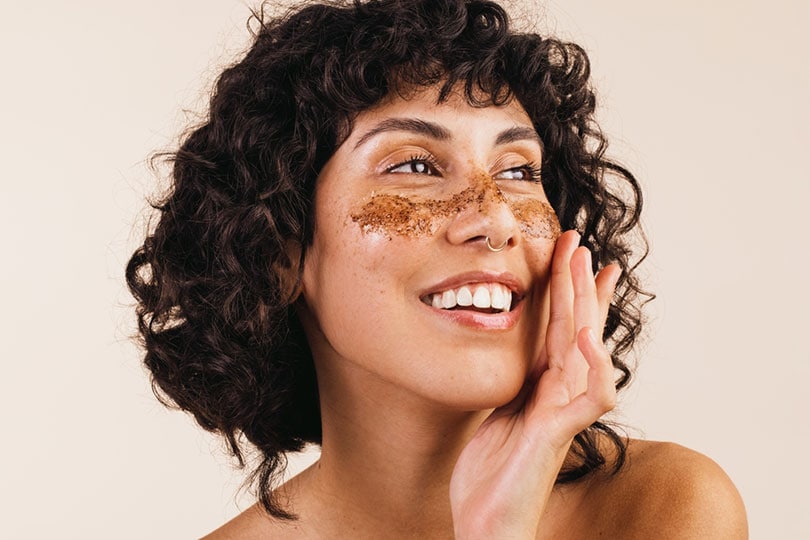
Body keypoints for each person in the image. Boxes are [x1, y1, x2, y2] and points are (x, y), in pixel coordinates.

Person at [126, 0, 747, 537]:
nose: (497, 217)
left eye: (518, 170)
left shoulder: (662, 508)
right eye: (415, 166)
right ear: (280, 253)